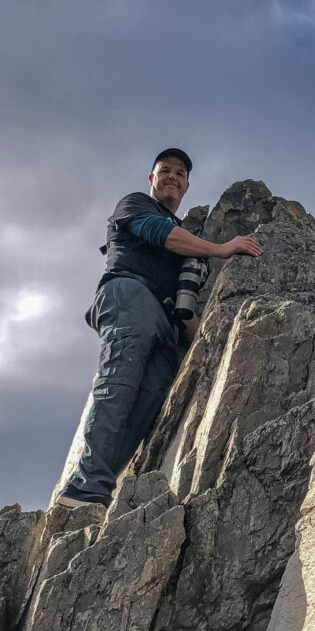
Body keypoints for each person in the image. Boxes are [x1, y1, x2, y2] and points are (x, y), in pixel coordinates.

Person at [56, 148, 262, 508]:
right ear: (151, 179)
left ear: (186, 186)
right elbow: (158, 233)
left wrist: (206, 338)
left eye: (179, 173)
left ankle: (97, 491)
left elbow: (186, 298)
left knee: (149, 403)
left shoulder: (184, 237)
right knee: (120, 381)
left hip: (168, 322)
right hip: (129, 293)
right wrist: (220, 248)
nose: (172, 176)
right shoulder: (136, 205)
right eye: (164, 170)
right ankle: (83, 486)